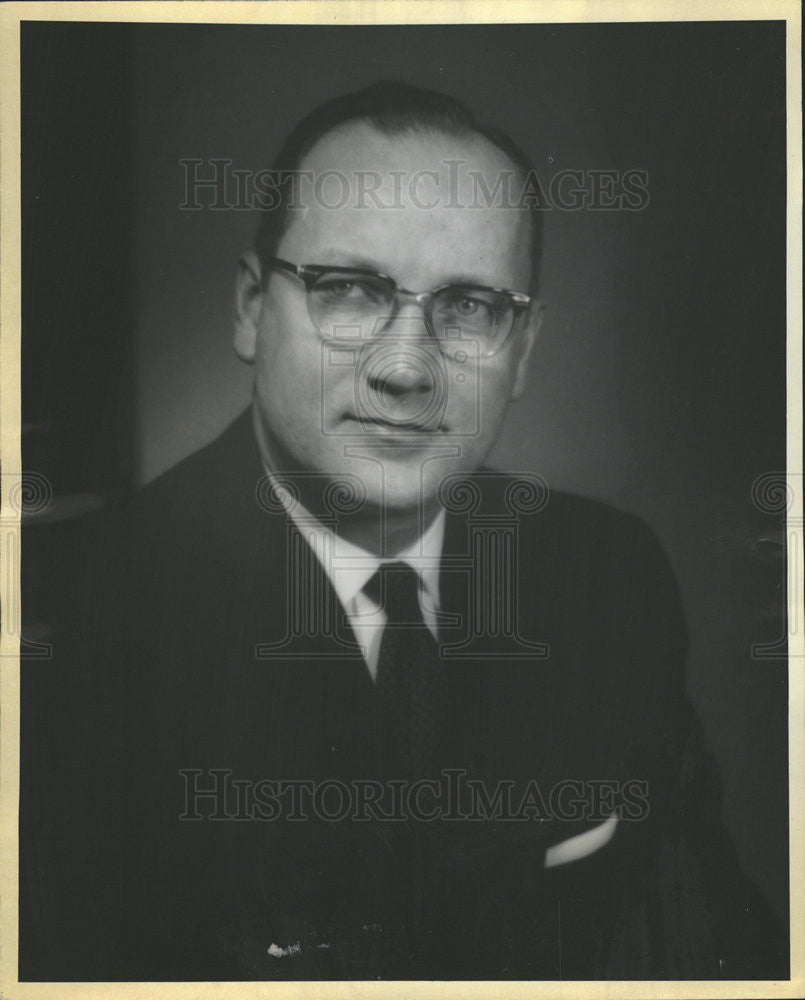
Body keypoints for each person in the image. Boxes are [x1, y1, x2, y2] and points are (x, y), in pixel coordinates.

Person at [19, 82, 785, 981]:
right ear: (250, 309)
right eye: (349, 290)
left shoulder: (606, 576)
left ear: (524, 348)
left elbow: (717, 957)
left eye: (468, 308)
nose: (404, 368)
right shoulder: (69, 620)